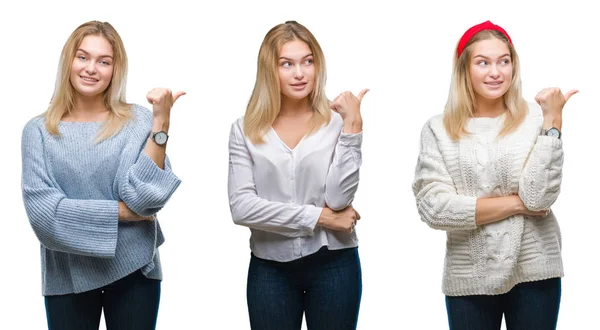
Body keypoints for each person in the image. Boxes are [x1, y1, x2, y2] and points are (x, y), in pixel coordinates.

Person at [412, 20, 577, 330]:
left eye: (504, 61)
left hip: (535, 270)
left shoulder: (536, 119)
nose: (496, 72)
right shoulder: (438, 129)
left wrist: (553, 120)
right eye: (483, 62)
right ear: (464, 69)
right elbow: (434, 209)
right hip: (468, 276)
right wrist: (516, 205)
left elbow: (539, 196)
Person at [21, 20, 183, 330]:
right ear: (68, 61)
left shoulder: (137, 121)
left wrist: (161, 124)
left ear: (115, 69)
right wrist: (122, 213)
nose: (91, 68)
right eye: (83, 57)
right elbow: (45, 217)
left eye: (103, 61)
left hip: (135, 271)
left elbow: (147, 200)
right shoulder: (38, 132)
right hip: (67, 277)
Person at [227, 20, 367, 330]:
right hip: (270, 269)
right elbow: (242, 208)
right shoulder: (245, 130)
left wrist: (353, 127)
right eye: (286, 64)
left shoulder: (336, 123)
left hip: (335, 263)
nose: (300, 73)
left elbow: (339, 198)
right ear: (270, 70)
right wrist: (321, 218)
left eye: (307, 61)